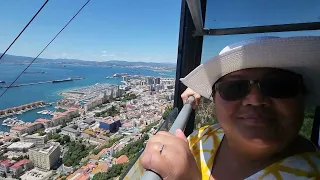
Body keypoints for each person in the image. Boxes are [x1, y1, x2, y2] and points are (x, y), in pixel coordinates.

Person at [139, 36, 320, 180]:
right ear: (215, 99)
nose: (255, 100)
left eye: (278, 86)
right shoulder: (203, 137)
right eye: (234, 88)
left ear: (302, 96)